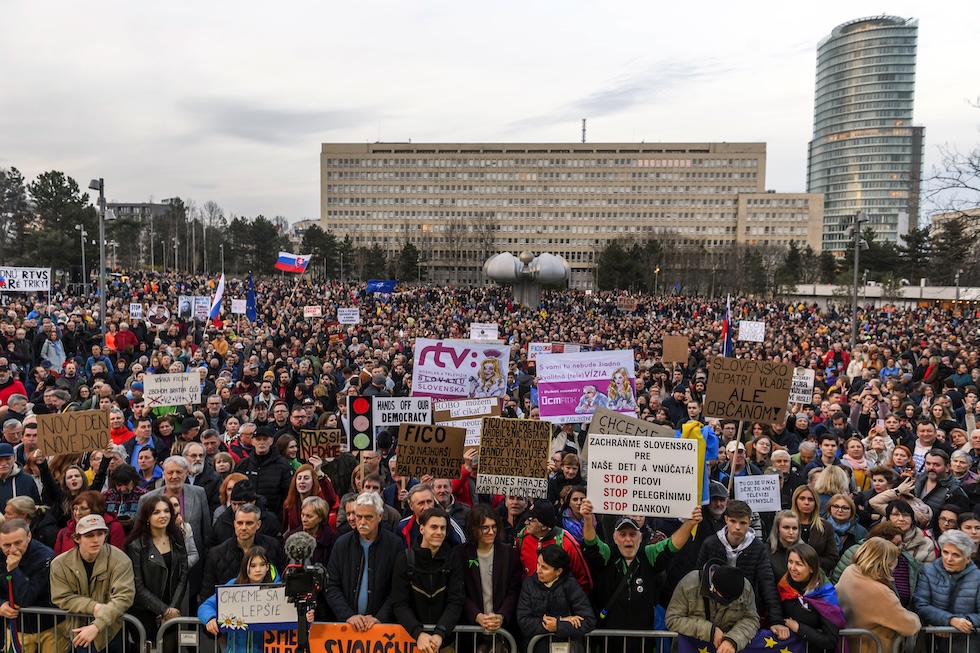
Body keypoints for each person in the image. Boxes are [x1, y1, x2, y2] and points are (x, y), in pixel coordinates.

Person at [582, 499, 701, 636]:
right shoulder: (608, 555)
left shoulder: (648, 554)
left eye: (633, 534)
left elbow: (672, 545)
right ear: (614, 538)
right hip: (610, 639)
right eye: (622, 535)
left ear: (640, 537)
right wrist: (587, 519)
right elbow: (591, 543)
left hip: (643, 640)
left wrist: (689, 524)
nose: (628, 539)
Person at [696, 500, 787, 637]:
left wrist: (776, 620)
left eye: (743, 523)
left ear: (750, 522)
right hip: (713, 611)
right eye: (733, 521)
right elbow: (698, 580)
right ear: (726, 519)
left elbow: (767, 582)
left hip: (744, 611)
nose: (737, 527)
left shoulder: (758, 547)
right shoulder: (710, 543)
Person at [50, 514, 136, 653]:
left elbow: (123, 597)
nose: (96, 540)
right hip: (78, 629)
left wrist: (97, 625)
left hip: (112, 630)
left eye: (100, 534)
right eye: (89, 535)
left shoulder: (120, 559)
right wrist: (94, 607)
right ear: (77, 538)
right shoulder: (60, 564)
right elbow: (61, 597)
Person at [325, 492, 405, 631]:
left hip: (381, 628)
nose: (362, 522)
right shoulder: (342, 544)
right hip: (346, 626)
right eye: (359, 516)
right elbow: (331, 585)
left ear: (379, 517)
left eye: (368, 517)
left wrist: (380, 617)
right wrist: (348, 615)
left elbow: (398, 588)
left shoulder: (394, 544)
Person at [391, 507, 465, 653]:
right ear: (422, 529)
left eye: (443, 528)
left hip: (445, 642)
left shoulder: (453, 558)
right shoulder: (405, 559)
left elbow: (456, 600)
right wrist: (418, 633)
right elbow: (400, 603)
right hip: (409, 640)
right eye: (434, 527)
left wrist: (440, 632)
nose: (439, 532)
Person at [125, 496, 189, 653]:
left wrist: (172, 608)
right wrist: (163, 610)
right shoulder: (136, 545)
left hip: (172, 607)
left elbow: (183, 574)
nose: (163, 516)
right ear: (147, 517)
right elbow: (137, 587)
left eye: (167, 511)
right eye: (156, 512)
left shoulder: (177, 538)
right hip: (145, 611)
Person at [836, 538, 921, 653]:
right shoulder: (879, 592)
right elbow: (909, 626)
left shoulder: (850, 571)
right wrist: (915, 617)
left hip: (848, 644)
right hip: (872, 647)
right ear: (886, 562)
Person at [197, 546, 287, 653]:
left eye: (262, 565)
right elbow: (205, 606)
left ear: (268, 567)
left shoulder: (277, 591)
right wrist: (210, 618)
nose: (258, 570)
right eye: (253, 566)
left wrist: (306, 616)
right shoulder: (233, 586)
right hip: (236, 649)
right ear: (245, 567)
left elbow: (291, 613)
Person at [454, 504, 522, 641]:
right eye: (485, 527)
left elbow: (513, 591)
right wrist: (476, 616)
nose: (491, 532)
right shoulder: (460, 554)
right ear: (474, 528)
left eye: (494, 527)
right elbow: (458, 591)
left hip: (502, 632)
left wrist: (501, 616)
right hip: (469, 631)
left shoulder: (509, 554)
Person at [665, 561, 760, 653]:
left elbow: (751, 619)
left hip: (726, 647)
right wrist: (709, 631)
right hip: (690, 647)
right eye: (723, 598)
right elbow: (672, 619)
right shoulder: (689, 584)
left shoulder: (745, 588)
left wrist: (733, 640)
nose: (726, 604)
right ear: (713, 588)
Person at [198, 503, 285, 604]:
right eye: (240, 523)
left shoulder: (273, 546)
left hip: (266, 608)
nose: (243, 528)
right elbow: (207, 593)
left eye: (249, 523)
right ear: (234, 524)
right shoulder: (216, 554)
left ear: (258, 525)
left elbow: (283, 583)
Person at [516, 544, 596, 653]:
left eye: (544, 567)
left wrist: (558, 626)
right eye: (538, 564)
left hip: (565, 647)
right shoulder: (529, 584)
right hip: (535, 648)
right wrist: (561, 620)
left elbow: (588, 620)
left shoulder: (570, 585)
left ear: (559, 571)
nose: (538, 570)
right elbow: (524, 621)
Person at [913, 529, 980, 652]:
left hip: (968, 644)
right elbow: (921, 604)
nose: (949, 559)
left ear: (968, 558)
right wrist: (949, 621)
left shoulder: (978, 578)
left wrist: (959, 623)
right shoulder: (929, 571)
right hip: (935, 641)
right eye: (945, 552)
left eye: (956, 555)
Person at [0, 518, 57, 653]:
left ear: (29, 536)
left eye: (18, 543)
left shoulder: (44, 556)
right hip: (17, 627)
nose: (13, 550)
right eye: (6, 545)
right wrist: (0, 603)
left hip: (50, 626)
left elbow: (25, 599)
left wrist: (13, 569)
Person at [776, 543, 844, 653]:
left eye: (799, 564)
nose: (792, 568)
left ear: (812, 568)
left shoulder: (825, 595)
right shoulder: (783, 585)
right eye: (790, 562)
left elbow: (831, 641)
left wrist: (799, 628)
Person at [516, 499, 592, 594]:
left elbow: (583, 580)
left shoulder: (567, 543)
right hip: (528, 600)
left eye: (531, 520)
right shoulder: (522, 537)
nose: (526, 523)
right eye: (526, 519)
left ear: (544, 526)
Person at [54, 491, 126, 555]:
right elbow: (57, 563)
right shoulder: (63, 532)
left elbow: (117, 559)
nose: (77, 513)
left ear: (96, 510)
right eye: (75, 508)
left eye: (84, 509)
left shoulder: (114, 528)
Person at [789, 485, 838, 572]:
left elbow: (832, 558)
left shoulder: (826, 527)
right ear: (795, 501)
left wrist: (810, 563)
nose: (806, 502)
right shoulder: (786, 524)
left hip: (817, 575)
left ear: (816, 503)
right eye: (802, 498)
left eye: (810, 499)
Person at [283, 496, 337, 567]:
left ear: (320, 518)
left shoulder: (331, 539)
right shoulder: (290, 538)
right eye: (302, 515)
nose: (304, 519)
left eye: (309, 516)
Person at [768, 510, 801, 581]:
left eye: (794, 528)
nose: (791, 532)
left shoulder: (806, 551)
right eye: (786, 527)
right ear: (777, 529)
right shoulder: (766, 552)